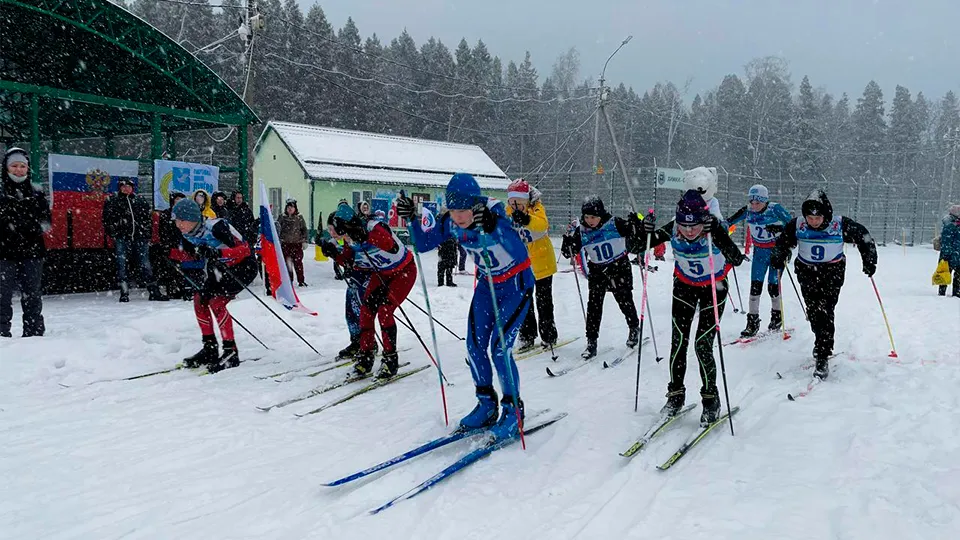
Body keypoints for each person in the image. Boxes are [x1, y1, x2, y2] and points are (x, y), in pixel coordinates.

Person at [399, 173, 533, 440]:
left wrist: (493, 226)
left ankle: (512, 410)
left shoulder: (495, 215)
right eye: (454, 210)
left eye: (464, 210)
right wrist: (411, 218)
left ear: (475, 205)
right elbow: (424, 243)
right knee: (474, 346)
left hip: (516, 286)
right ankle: (486, 405)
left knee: (499, 349)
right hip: (487, 285)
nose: (459, 216)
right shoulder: (452, 222)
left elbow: (518, 250)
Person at [639, 190, 746, 426]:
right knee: (678, 343)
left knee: (702, 345)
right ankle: (675, 396)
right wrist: (642, 228)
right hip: (684, 287)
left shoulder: (712, 229)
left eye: (694, 225)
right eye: (685, 225)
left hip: (713, 289)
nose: (688, 231)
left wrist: (716, 229)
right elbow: (636, 245)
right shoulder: (674, 227)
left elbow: (735, 258)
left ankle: (711, 400)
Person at [771, 189, 878, 380]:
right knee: (813, 310)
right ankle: (821, 338)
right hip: (806, 273)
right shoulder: (798, 224)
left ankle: (822, 352)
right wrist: (779, 255)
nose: (813, 222)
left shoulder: (838, 224)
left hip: (831, 273)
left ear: (825, 215)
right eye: (810, 218)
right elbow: (783, 241)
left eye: (817, 218)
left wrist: (869, 259)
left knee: (825, 310)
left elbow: (863, 236)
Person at [168, 198, 257, 372]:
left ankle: (231, 351)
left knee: (216, 302)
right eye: (176, 220)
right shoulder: (187, 233)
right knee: (199, 300)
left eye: (181, 220)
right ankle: (209, 348)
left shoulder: (217, 227)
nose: (178, 224)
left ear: (192, 217)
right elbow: (192, 254)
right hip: (219, 268)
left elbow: (245, 250)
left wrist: (218, 252)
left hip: (243, 267)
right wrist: (169, 256)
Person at [331, 203, 417, 379]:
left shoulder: (373, 226)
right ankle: (366, 355)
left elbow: (390, 245)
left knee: (385, 310)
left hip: (403, 271)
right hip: (381, 274)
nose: (344, 239)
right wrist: (333, 254)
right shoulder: (351, 239)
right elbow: (350, 262)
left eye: (344, 234)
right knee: (366, 310)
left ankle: (390, 359)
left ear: (349, 226)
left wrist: (365, 237)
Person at [560, 196, 640, 360]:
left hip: (619, 268)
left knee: (624, 300)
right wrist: (567, 242)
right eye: (587, 217)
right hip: (598, 271)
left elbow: (635, 232)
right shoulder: (581, 231)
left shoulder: (614, 223)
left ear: (601, 215)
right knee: (594, 307)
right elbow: (569, 252)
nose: (590, 221)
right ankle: (591, 341)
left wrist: (635, 223)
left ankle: (634, 327)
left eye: (594, 217)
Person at [726, 184, 794, 337]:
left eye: (758, 202)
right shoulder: (747, 210)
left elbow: (793, 225)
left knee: (773, 286)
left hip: (776, 252)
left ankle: (776, 317)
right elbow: (728, 222)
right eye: (752, 202)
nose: (754, 206)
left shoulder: (775, 209)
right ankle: (752, 322)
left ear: (765, 201)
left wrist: (779, 229)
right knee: (755, 287)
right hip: (759, 254)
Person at [0, 148, 50, 338]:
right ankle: (2, 330)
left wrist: (30, 229)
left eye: (22, 166)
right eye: (14, 166)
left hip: (33, 252)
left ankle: (34, 330)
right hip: (4, 252)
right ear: (6, 168)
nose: (19, 170)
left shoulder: (37, 191)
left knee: (32, 293)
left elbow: (46, 221)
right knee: (2, 295)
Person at [505, 178, 558, 352]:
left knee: (544, 301)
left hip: (542, 263)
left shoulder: (536, 208)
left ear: (526, 200)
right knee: (523, 302)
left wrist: (526, 219)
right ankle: (527, 336)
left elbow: (542, 224)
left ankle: (549, 336)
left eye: (519, 202)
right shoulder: (508, 212)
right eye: (512, 202)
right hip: (521, 265)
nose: (515, 206)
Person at [320, 207, 378, 360]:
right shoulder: (346, 240)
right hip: (356, 277)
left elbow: (364, 256)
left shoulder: (355, 235)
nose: (331, 233)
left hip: (368, 276)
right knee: (350, 310)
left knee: (361, 310)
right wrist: (333, 253)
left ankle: (369, 343)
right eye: (329, 230)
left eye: (333, 229)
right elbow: (347, 261)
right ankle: (357, 341)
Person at [103, 178, 167, 302]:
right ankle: (124, 292)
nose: (126, 188)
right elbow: (106, 219)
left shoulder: (139, 200)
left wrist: (146, 233)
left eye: (129, 186)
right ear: (120, 188)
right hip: (122, 238)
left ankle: (153, 290)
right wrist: (115, 232)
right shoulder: (112, 200)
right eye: (123, 186)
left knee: (145, 264)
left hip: (140, 237)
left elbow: (147, 218)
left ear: (133, 188)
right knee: (122, 265)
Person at [157, 191, 188, 300]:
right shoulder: (166, 214)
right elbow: (162, 231)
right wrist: (166, 244)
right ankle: (171, 289)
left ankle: (182, 288)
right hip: (170, 244)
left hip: (183, 244)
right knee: (171, 268)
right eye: (177, 200)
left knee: (182, 268)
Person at [278, 198, 308, 286]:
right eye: (288, 207)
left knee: (298, 262)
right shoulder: (282, 217)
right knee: (287, 264)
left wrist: (305, 240)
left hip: (297, 244)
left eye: (292, 207)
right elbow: (277, 229)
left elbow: (304, 230)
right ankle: (289, 281)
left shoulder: (299, 218)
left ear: (295, 208)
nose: (290, 209)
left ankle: (301, 281)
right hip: (285, 244)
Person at [936, 204, 960, 298]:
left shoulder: (950, 225)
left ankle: (952, 292)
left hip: (953, 255)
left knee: (947, 273)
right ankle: (949, 292)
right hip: (951, 255)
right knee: (947, 274)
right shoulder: (950, 225)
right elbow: (947, 242)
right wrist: (947, 254)